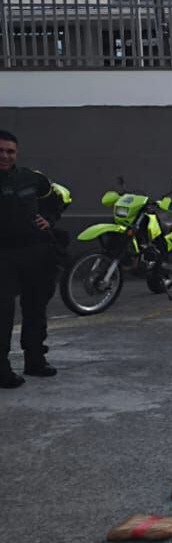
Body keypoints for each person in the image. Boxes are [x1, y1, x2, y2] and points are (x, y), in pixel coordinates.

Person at [0, 130, 63, 388]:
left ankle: (35, 360)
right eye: (0, 151)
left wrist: (49, 218)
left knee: (36, 309)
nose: (5, 155)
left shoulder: (31, 178)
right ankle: (2, 370)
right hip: (2, 256)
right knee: (2, 313)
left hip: (36, 253)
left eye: (10, 151)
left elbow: (56, 199)